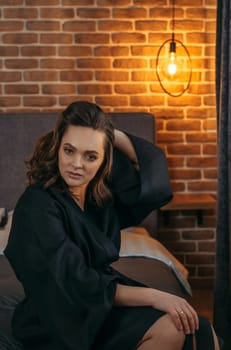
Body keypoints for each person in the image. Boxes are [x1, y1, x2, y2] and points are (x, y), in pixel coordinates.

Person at [4, 101, 220, 350]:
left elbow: (153, 181)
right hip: (60, 314)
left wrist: (109, 133)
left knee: (200, 330)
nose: (77, 164)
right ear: (57, 147)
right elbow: (75, 282)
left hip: (100, 300)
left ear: (105, 158)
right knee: (173, 328)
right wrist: (157, 297)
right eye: (69, 150)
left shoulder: (99, 198)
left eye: (91, 155)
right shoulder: (36, 204)